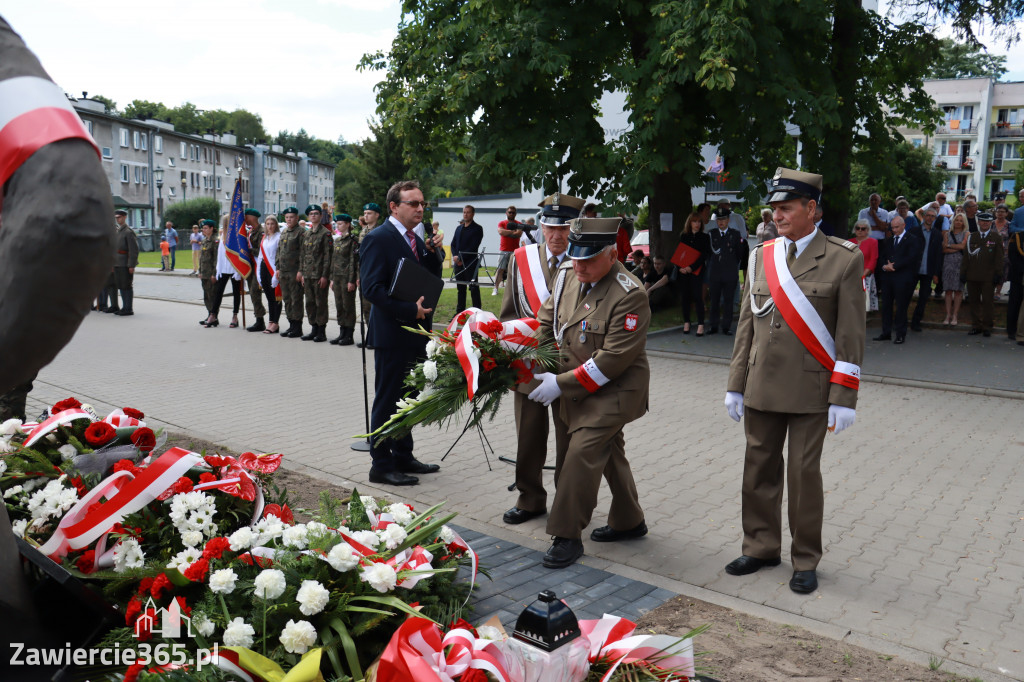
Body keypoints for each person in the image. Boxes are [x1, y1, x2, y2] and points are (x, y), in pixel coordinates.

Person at [724, 167, 864, 595]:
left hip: (812, 389)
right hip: (762, 384)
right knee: (758, 469)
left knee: (804, 477)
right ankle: (761, 546)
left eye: (786, 208)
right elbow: (746, 324)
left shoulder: (844, 257)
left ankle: (805, 558)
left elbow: (850, 333)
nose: (777, 215)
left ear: (811, 209)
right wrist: (735, 383)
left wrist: (845, 395)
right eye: (774, 209)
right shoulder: (760, 255)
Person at [528, 217, 650, 569]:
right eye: (575, 257)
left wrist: (559, 384)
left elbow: (611, 361)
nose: (579, 266)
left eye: (589, 259)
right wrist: (538, 363)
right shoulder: (568, 273)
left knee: (579, 454)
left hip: (614, 391)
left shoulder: (630, 294)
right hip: (574, 383)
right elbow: (546, 320)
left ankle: (566, 535)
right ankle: (629, 521)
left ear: (612, 255)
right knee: (609, 452)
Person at [499, 192, 580, 526]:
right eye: (550, 226)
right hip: (529, 361)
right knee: (528, 436)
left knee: (568, 438)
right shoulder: (522, 258)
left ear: (574, 228)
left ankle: (566, 501)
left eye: (564, 228)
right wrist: (505, 354)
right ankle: (529, 498)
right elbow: (508, 313)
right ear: (541, 225)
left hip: (570, 364)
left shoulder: (584, 258)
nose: (556, 235)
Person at [360, 180, 444, 486]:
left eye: (422, 203)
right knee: (387, 400)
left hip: (416, 332)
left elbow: (428, 277)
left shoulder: (418, 238)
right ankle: (381, 465)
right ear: (394, 206)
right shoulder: (378, 239)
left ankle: (403, 455)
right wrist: (410, 311)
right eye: (413, 203)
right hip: (392, 334)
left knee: (408, 398)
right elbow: (372, 289)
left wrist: (435, 252)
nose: (420, 208)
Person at [874, 216, 921, 344]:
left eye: (896, 227)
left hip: (903, 279)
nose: (894, 230)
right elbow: (882, 257)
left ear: (903, 225)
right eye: (892, 227)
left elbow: (911, 258)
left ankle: (900, 334)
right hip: (888, 279)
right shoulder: (889, 241)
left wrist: (893, 266)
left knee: (901, 307)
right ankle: (886, 332)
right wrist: (885, 266)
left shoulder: (912, 240)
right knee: (886, 306)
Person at [960, 211, 1004, 337]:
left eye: (988, 221)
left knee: (987, 302)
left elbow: (999, 258)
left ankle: (987, 327)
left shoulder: (996, 237)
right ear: (978, 222)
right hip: (972, 275)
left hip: (988, 277)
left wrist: (998, 274)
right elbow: (966, 257)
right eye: (983, 221)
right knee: (973, 302)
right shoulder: (971, 237)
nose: (985, 223)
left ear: (991, 223)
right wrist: (963, 273)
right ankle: (976, 326)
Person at [707, 213, 747, 335]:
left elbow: (739, 253)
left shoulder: (735, 234)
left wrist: (731, 262)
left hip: (729, 272)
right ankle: (713, 326)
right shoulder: (711, 233)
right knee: (714, 300)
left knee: (728, 301)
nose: (721, 222)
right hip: (715, 272)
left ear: (728, 220)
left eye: (723, 219)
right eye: (719, 219)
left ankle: (726, 326)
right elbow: (708, 253)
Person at [298, 205, 333, 342]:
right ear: (308, 217)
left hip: (319, 275)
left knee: (320, 303)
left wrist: (325, 275)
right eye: (311, 214)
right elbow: (302, 255)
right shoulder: (306, 234)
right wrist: (301, 272)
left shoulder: (325, 233)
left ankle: (321, 331)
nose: (313, 216)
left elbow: (327, 256)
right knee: (310, 303)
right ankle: (313, 329)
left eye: (316, 213)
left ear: (320, 216)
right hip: (307, 275)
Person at [908, 207, 944, 332]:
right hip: (913, 270)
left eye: (932, 216)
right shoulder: (914, 231)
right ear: (923, 216)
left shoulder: (937, 234)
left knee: (923, 299)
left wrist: (936, 273)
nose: (929, 218)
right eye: (927, 215)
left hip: (928, 271)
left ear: (935, 218)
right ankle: (899, 321)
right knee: (906, 297)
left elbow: (939, 255)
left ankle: (916, 322)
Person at [677, 211, 710, 336]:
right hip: (683, 271)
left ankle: (700, 324)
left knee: (698, 297)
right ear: (689, 223)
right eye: (694, 221)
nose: (696, 224)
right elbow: (680, 253)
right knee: (685, 297)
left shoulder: (704, 237)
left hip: (697, 271)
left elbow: (703, 256)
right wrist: (681, 267)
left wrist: (691, 267)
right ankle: (687, 322)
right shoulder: (684, 236)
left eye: (699, 222)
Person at [356, 202, 384, 346]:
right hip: (364, 274)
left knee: (375, 308)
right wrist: (357, 276)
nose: (366, 215)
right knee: (365, 307)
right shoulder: (363, 231)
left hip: (375, 274)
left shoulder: (380, 231)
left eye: (369, 213)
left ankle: (377, 337)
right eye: (365, 213)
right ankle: (370, 336)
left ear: (377, 215)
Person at [329, 213, 358, 345]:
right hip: (337, 278)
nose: (338, 226)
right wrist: (332, 279)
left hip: (347, 278)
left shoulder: (353, 240)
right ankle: (342, 332)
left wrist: (352, 280)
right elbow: (333, 260)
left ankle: (349, 334)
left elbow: (353, 261)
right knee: (339, 305)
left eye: (340, 223)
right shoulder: (337, 240)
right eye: (337, 224)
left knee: (348, 306)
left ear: (347, 224)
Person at [276, 207, 305, 338]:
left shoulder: (301, 232)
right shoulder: (284, 232)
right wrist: (277, 267)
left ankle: (297, 327)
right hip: (283, 271)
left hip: (294, 272)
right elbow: (279, 251)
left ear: (297, 218)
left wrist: (301, 270)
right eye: (287, 217)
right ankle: (291, 324)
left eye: (291, 217)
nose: (289, 219)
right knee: (287, 299)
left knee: (296, 299)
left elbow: (304, 253)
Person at [208, 218, 242, 328]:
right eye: (226, 223)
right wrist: (218, 269)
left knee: (236, 292)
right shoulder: (222, 236)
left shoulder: (237, 236)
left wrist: (239, 269)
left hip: (234, 269)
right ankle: (213, 314)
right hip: (223, 269)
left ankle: (235, 316)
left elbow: (239, 254)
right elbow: (220, 254)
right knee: (218, 292)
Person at [450, 205, 484, 312]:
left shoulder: (478, 228)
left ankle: (477, 312)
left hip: (470, 263)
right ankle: (459, 313)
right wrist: (455, 257)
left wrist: (460, 258)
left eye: (468, 212)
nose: (465, 214)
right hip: (458, 263)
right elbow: (453, 244)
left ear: (473, 214)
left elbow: (473, 246)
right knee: (460, 289)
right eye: (464, 212)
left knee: (473, 288)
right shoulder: (459, 228)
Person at [243, 209, 269, 332]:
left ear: (252, 217)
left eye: (246, 216)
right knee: (253, 293)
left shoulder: (262, 232)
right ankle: (259, 320)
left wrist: (248, 250)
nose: (245, 219)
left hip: (260, 267)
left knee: (255, 291)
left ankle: (262, 320)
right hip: (251, 267)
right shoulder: (251, 232)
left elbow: (261, 251)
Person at [256, 215, 282, 335]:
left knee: (276, 297)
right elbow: (261, 255)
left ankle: (275, 323)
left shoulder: (278, 237)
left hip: (274, 270)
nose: (270, 226)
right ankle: (270, 321)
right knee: (269, 298)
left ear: (276, 225)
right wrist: (258, 274)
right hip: (264, 268)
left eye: (272, 224)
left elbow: (280, 256)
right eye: (268, 224)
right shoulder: (264, 238)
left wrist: (277, 272)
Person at [941, 213, 968, 326]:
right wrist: (952, 247)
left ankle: (955, 315)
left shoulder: (967, 233)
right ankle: (948, 314)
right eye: (957, 220)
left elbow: (963, 247)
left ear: (964, 222)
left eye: (961, 220)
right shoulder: (947, 234)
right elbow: (944, 249)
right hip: (948, 264)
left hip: (960, 265)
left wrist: (949, 246)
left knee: (958, 291)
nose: (958, 222)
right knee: (948, 291)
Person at [111, 209, 139, 316]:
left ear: (124, 217)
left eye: (119, 217)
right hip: (118, 263)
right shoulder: (119, 231)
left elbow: (133, 250)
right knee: (121, 285)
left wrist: (131, 265)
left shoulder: (128, 232)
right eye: (116, 218)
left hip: (125, 263)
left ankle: (128, 308)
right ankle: (124, 307)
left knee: (126, 285)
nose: (118, 219)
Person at [850, 219, 878, 312]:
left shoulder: (873, 242)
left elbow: (873, 259)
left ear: (867, 230)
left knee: (864, 303)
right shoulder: (849, 242)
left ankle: (863, 322)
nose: (860, 230)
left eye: (863, 229)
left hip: (865, 276)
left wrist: (863, 275)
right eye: (858, 228)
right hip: (850, 276)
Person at [494, 205, 523, 295]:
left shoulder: (519, 223)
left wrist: (507, 233)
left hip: (515, 251)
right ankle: (495, 289)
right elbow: (501, 232)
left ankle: (513, 290)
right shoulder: (502, 223)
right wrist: (512, 232)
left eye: (513, 212)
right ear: (506, 213)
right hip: (504, 250)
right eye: (509, 212)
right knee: (500, 270)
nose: (511, 214)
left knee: (514, 271)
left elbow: (518, 234)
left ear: (515, 214)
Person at [198, 220, 219, 326]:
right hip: (204, 273)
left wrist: (214, 274)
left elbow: (216, 259)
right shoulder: (204, 240)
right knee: (206, 296)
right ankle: (209, 314)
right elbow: (201, 258)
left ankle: (214, 316)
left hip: (211, 273)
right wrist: (200, 271)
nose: (203, 230)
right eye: (203, 228)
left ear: (211, 228)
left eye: (206, 228)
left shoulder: (215, 241)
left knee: (212, 295)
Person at [994, 204, 1011, 302]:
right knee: (990, 272)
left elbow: (1011, 239)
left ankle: (998, 292)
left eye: (1002, 211)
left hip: (1004, 253)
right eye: (998, 211)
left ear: (1006, 213)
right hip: (991, 252)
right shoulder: (991, 223)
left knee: (1002, 272)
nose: (1000, 213)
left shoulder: (1009, 225)